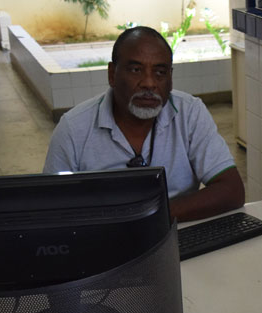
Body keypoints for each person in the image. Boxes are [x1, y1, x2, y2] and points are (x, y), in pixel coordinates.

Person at [43, 26, 244, 222]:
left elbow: (231, 190)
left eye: (160, 72)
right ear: (112, 74)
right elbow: (51, 209)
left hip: (174, 231)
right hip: (104, 242)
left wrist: (151, 216)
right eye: (136, 70)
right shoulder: (73, 128)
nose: (149, 83)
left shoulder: (189, 113)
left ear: (171, 79)